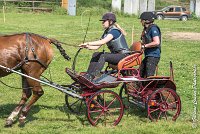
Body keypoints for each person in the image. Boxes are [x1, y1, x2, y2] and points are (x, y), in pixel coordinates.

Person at [79, 12, 129, 81]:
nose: (102, 23)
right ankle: (88, 75)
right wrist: (86, 46)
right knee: (96, 54)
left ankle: (93, 76)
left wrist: (88, 43)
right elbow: (97, 47)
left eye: (104, 21)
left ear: (110, 22)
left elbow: (103, 41)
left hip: (123, 56)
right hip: (116, 55)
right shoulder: (106, 32)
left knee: (103, 56)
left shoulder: (114, 31)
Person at [139, 12, 162, 78]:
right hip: (148, 55)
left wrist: (144, 46)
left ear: (146, 21)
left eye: (142, 20)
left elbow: (156, 42)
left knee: (149, 76)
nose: (140, 22)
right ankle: (142, 87)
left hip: (153, 56)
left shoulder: (153, 28)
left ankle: (151, 88)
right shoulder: (146, 29)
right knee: (140, 73)